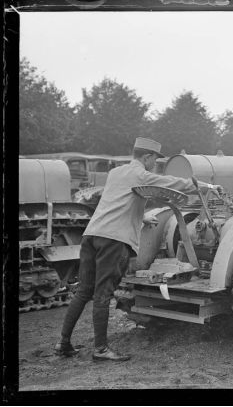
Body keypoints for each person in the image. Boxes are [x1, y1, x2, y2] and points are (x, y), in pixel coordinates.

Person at [54, 137, 222, 361]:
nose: (155, 164)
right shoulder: (141, 174)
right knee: (103, 294)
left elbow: (117, 202)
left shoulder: (115, 173)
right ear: (147, 157)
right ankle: (101, 349)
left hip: (92, 235)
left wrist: (142, 218)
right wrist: (208, 186)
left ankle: (63, 343)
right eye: (155, 160)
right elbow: (173, 183)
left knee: (84, 291)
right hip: (113, 241)